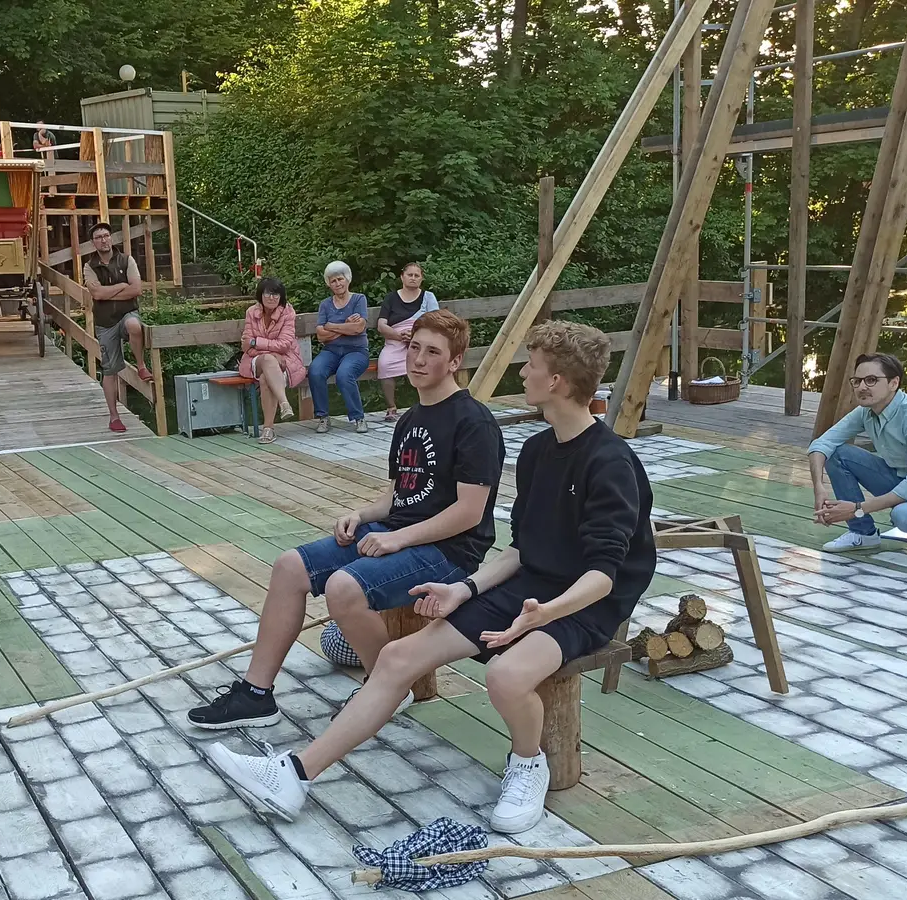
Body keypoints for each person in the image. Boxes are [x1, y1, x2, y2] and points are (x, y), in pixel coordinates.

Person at [205, 320, 655, 835]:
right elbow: (522, 553)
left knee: (506, 676)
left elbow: (604, 573)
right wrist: (463, 588)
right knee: (397, 657)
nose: (523, 371)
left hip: (584, 603)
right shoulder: (537, 451)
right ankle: (293, 775)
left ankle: (528, 762)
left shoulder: (611, 462)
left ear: (555, 382)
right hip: (533, 586)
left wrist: (543, 615)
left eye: (531, 365)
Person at [190, 308, 504, 725]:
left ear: (454, 362)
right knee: (289, 567)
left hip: (448, 553)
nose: (419, 360)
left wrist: (398, 539)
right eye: (414, 348)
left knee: (343, 587)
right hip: (399, 533)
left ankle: (386, 687)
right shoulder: (409, 419)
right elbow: (398, 497)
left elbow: (469, 513)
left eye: (433, 352)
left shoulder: (474, 421)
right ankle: (256, 694)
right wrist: (360, 514)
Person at [808, 352, 907, 559]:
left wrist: (857, 508)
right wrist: (819, 488)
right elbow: (821, 444)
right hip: (903, 479)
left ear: (894, 383)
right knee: (837, 454)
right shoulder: (866, 411)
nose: (862, 387)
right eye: (857, 381)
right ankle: (862, 533)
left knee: (904, 516)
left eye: (872, 380)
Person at [81, 221, 150, 432]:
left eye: (106, 235)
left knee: (134, 325)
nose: (103, 240)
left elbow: (136, 289)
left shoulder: (127, 260)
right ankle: (114, 417)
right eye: (99, 237)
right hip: (105, 322)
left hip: (127, 313)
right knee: (110, 371)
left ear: (112, 238)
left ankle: (140, 365)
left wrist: (109, 291)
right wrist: (121, 286)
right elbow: (97, 294)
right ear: (93, 243)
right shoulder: (89, 266)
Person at [306, 261, 371, 434]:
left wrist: (332, 326)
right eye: (333, 281)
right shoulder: (325, 304)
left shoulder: (359, 299)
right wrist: (345, 326)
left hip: (356, 351)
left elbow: (358, 328)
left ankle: (358, 418)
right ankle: (323, 417)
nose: (338, 284)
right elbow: (320, 335)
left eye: (340, 279)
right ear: (329, 284)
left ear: (347, 279)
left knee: (344, 374)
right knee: (315, 371)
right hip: (331, 351)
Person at [240, 277, 305, 444]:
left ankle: (267, 430)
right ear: (260, 295)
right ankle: (284, 403)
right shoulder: (251, 312)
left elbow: (285, 345)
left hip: (285, 360)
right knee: (269, 359)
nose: (271, 298)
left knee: (265, 379)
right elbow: (246, 345)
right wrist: (272, 353)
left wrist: (258, 343)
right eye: (268, 293)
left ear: (281, 297)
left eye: (276, 295)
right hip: (255, 360)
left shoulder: (288, 312)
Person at [375, 262, 440, 422]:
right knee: (385, 362)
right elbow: (381, 325)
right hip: (395, 340)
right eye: (410, 275)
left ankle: (428, 406)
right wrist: (398, 336)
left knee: (428, 362)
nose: (413, 278)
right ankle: (391, 408)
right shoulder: (391, 298)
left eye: (416, 275)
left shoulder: (428, 297)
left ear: (421, 279)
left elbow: (436, 323)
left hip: (422, 340)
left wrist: (415, 335)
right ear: (402, 277)